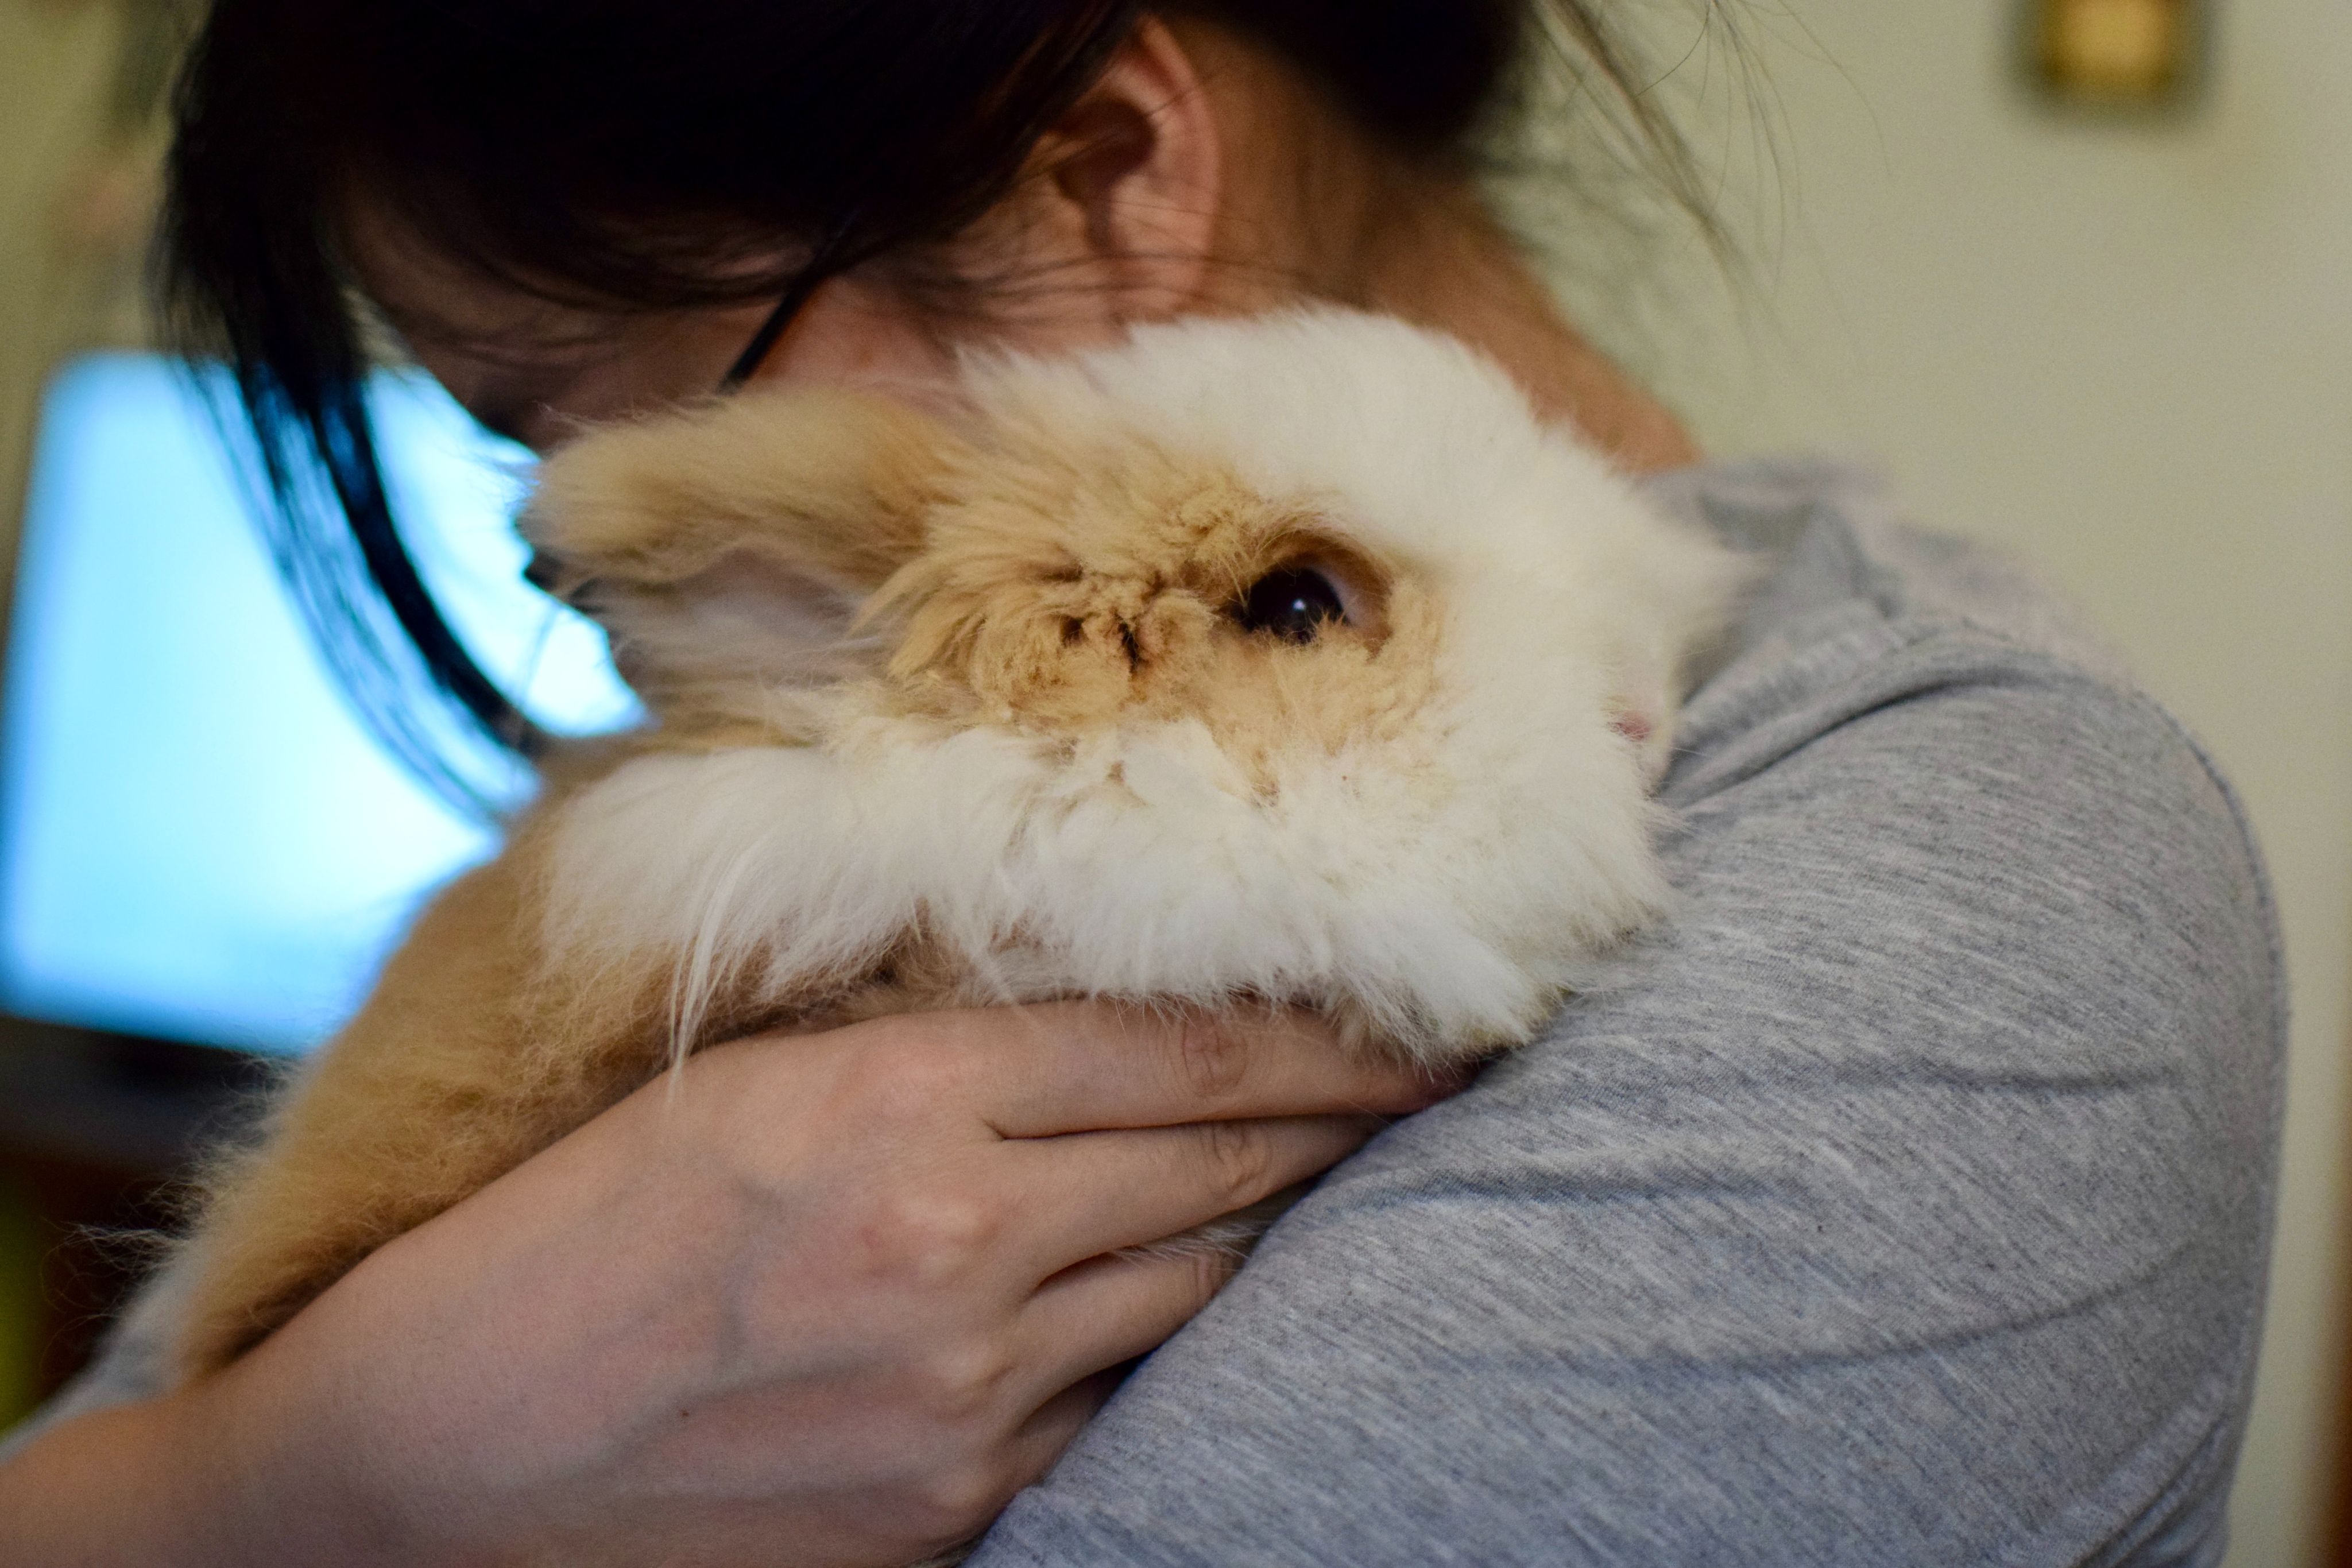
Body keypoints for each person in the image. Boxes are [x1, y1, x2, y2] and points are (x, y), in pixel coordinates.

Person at [0, 3, 2282, 1565]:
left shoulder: (1953, 882)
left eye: (600, 397)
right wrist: (323, 1470)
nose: (562, 551)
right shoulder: (673, 826)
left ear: (1102, 173)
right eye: (527, 447)